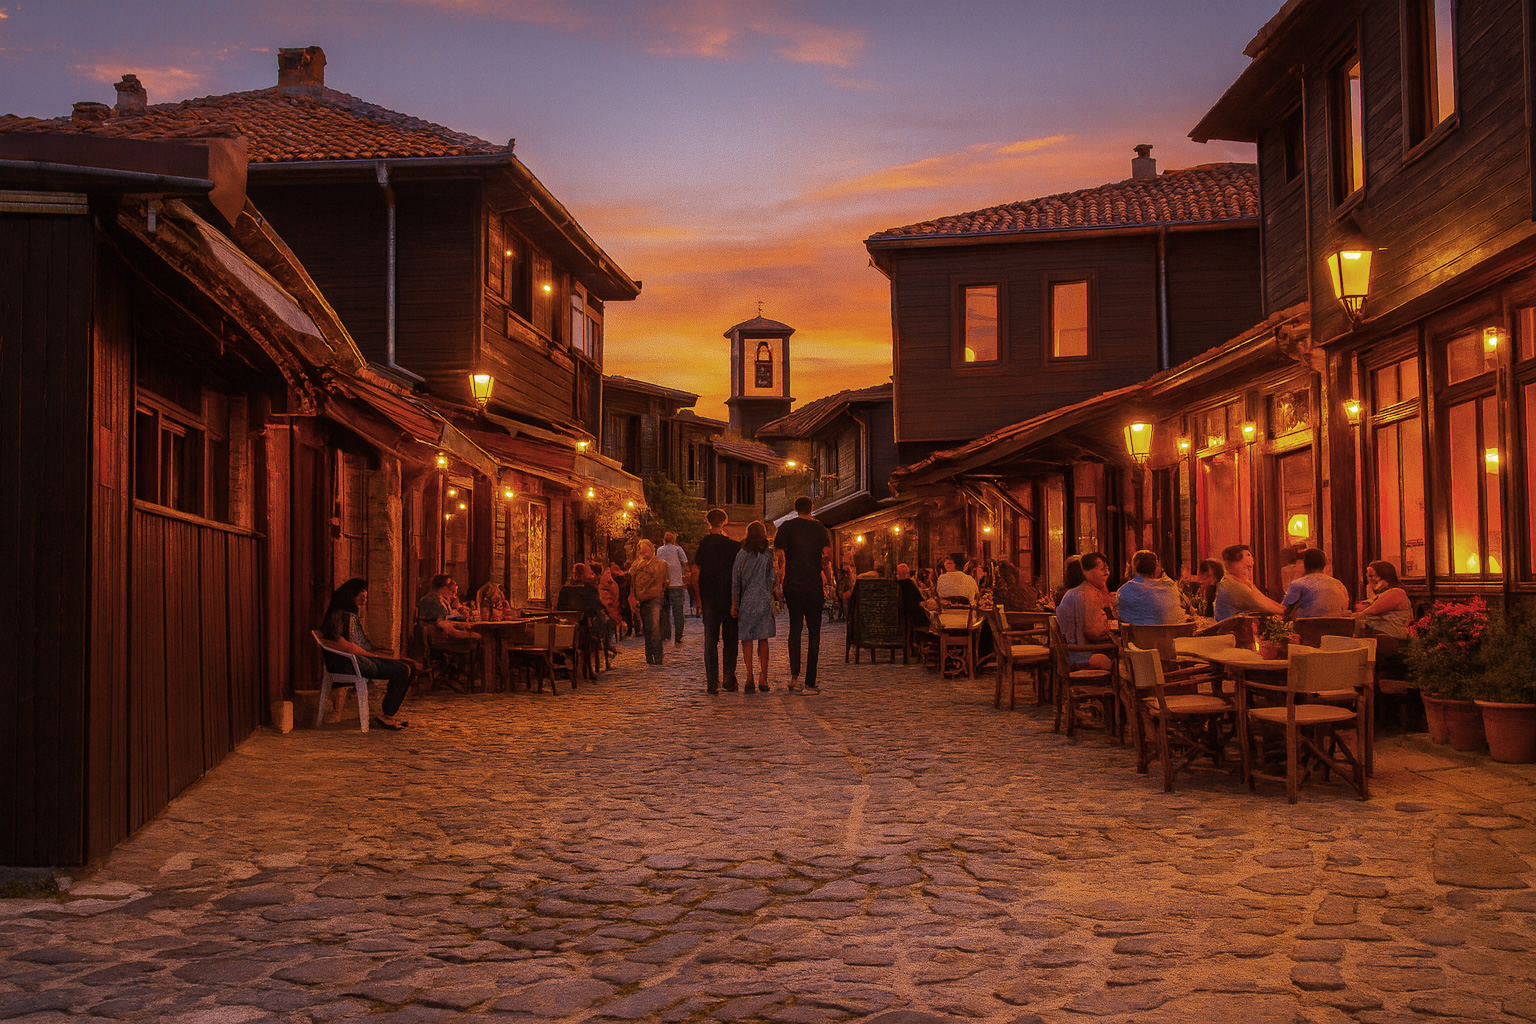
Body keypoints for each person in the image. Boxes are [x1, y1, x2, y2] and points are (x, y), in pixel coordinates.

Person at [322, 578, 416, 730]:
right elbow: (341, 644)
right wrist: (375, 656)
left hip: (361, 660)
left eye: (365, 593)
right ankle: (386, 715)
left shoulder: (351, 615)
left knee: (409, 666)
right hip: (349, 663)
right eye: (360, 593)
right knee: (403, 670)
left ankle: (387, 714)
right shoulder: (339, 615)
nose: (364, 596)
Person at [774, 496, 833, 694]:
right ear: (812, 508)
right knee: (814, 632)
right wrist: (830, 580)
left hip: (793, 583)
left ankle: (794, 676)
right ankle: (810, 681)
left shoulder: (786, 527)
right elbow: (826, 557)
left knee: (795, 628)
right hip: (813, 584)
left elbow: (780, 558)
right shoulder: (819, 529)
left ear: (795, 509)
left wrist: (780, 581)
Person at [694, 508, 742, 694]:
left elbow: (695, 572)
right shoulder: (733, 546)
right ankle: (728, 677)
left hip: (709, 599)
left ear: (708, 522)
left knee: (710, 641)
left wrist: (698, 598)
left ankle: (711, 682)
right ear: (725, 521)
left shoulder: (703, 545)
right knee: (730, 640)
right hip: (729, 598)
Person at [733, 520, 778, 693]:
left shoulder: (741, 554)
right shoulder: (767, 554)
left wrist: (734, 603)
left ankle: (749, 676)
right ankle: (763, 678)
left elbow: (735, 581)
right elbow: (772, 579)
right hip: (763, 600)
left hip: (746, 601)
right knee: (763, 639)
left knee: (747, 639)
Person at [1055, 552, 1115, 671]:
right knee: (1123, 661)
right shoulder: (1082, 595)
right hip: (1082, 654)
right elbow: (1094, 632)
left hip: (1071, 652)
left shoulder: (1072, 594)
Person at [1212, 544, 1284, 620]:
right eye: (1248, 555)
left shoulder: (1244, 582)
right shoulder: (1232, 585)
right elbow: (1261, 606)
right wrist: (1284, 611)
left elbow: (1264, 599)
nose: (1252, 558)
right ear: (1236, 563)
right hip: (1229, 628)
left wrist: (1282, 607)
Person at [1116, 549, 1186, 625]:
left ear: (1134, 568)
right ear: (1155, 568)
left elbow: (1121, 617)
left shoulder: (1125, 590)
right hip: (1173, 635)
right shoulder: (1170, 586)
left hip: (1139, 636)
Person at [1282, 547, 1352, 620]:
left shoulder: (1298, 584)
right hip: (1336, 628)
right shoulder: (1338, 584)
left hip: (1307, 628)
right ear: (1324, 564)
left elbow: (1284, 609)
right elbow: (1345, 605)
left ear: (1304, 564)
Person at [629, 540, 669, 665]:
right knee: (647, 627)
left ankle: (657, 655)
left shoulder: (660, 564)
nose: (643, 552)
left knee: (654, 626)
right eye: (641, 550)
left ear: (651, 549)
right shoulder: (636, 565)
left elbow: (665, 582)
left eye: (645, 549)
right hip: (642, 599)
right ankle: (649, 654)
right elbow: (632, 581)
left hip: (655, 598)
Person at [556, 562, 607, 658]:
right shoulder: (589, 589)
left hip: (566, 621)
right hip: (582, 623)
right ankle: (597, 639)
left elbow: (559, 606)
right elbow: (596, 606)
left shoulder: (565, 588)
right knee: (599, 621)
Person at [1354, 559, 1413, 638]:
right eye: (1368, 576)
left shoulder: (1396, 592)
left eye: (1371, 576)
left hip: (1390, 637)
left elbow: (1371, 611)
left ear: (1383, 577)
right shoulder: (1381, 594)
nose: (1369, 580)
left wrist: (1351, 617)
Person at [656, 531, 689, 645]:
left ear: (664, 540)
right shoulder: (678, 549)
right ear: (673, 540)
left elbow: (657, 564)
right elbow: (685, 562)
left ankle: (665, 634)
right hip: (677, 584)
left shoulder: (659, 550)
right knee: (678, 612)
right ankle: (678, 636)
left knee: (664, 611)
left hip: (664, 585)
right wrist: (683, 575)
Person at [596, 560, 622, 653]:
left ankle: (606, 645)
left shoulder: (605, 578)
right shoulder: (606, 579)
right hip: (608, 608)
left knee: (609, 623)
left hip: (608, 607)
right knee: (609, 624)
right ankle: (607, 645)